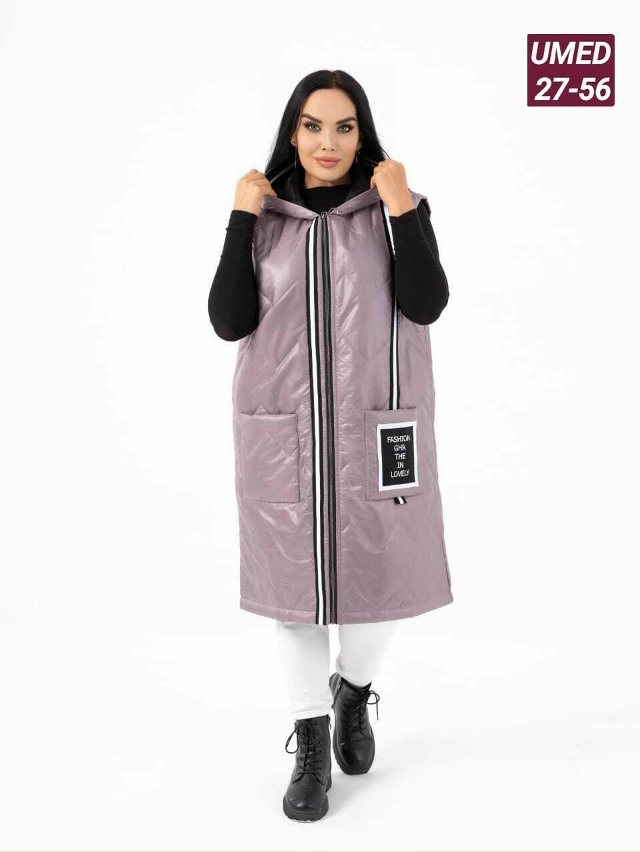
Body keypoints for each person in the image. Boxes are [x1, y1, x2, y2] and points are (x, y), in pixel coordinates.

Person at [208, 69, 453, 822]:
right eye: (313, 126)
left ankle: (353, 690)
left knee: (380, 586)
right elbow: (228, 320)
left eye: (344, 127)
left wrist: (402, 205)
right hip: (281, 434)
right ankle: (311, 742)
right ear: (293, 132)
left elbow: (426, 302)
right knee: (293, 600)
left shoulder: (391, 208)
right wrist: (240, 217)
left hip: (375, 428)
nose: (327, 142)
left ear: (361, 134)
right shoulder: (266, 217)